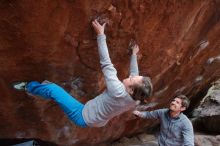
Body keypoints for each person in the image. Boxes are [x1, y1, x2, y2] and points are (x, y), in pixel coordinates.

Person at [13, 20, 153, 128]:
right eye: (134, 76)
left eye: (132, 79)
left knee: (52, 89)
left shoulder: (117, 90)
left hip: (82, 116)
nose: (131, 76)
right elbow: (135, 74)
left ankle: (28, 87)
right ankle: (41, 88)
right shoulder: (136, 99)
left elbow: (106, 63)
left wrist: (100, 35)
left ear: (130, 89)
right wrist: (134, 55)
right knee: (52, 89)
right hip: (98, 120)